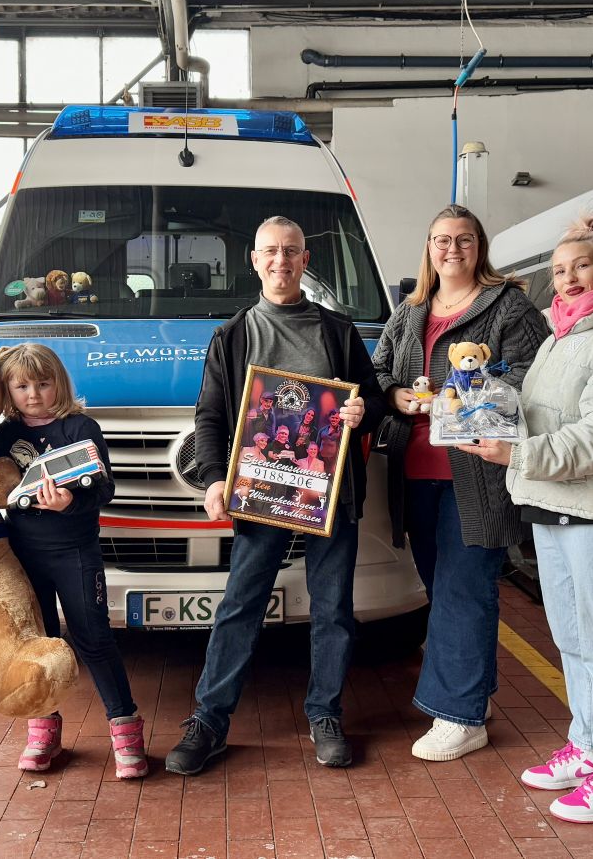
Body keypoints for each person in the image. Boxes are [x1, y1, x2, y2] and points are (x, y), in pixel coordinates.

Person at [458, 213, 593, 823]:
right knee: (573, 641)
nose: (569, 278)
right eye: (558, 270)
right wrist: (475, 403)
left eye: (581, 266)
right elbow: (538, 413)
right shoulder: (560, 338)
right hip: (552, 502)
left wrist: (517, 453)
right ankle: (589, 747)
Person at [165, 215, 387, 775]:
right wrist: (214, 477)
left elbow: (374, 400)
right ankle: (210, 720)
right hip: (260, 492)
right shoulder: (233, 336)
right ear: (255, 261)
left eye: (291, 251)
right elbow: (210, 415)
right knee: (240, 606)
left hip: (329, 492)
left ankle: (325, 715)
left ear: (305, 260)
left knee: (333, 608)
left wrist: (362, 412)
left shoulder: (338, 332)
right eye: (270, 251)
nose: (280, 261)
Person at [372, 204, 548, 763]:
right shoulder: (411, 310)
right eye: (443, 239)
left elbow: (537, 372)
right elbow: (378, 371)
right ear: (429, 247)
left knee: (463, 590)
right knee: (441, 585)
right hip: (416, 474)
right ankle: (474, 695)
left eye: (465, 239)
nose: (453, 249)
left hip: (477, 473)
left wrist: (469, 391)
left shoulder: (508, 306)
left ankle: (459, 718)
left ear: (480, 247)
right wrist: (397, 395)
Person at [0, 343, 148, 780]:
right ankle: (43, 730)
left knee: (94, 638)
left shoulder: (81, 427)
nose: (33, 394)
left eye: (43, 384)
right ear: (7, 389)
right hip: (23, 554)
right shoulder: (2, 435)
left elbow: (104, 489)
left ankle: (125, 729)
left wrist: (69, 503)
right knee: (38, 642)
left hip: (76, 551)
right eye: (21, 386)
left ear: (59, 383)